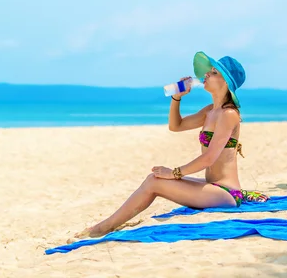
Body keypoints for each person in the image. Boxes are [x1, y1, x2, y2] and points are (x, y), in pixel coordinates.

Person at [73, 51, 267, 240]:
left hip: (226, 193)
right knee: (154, 178)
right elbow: (176, 126)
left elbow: (209, 158)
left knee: (155, 182)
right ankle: (107, 225)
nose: (206, 74)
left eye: (214, 72)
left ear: (225, 81)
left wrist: (174, 173)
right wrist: (177, 98)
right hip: (211, 186)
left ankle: (103, 227)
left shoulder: (229, 114)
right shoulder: (211, 111)